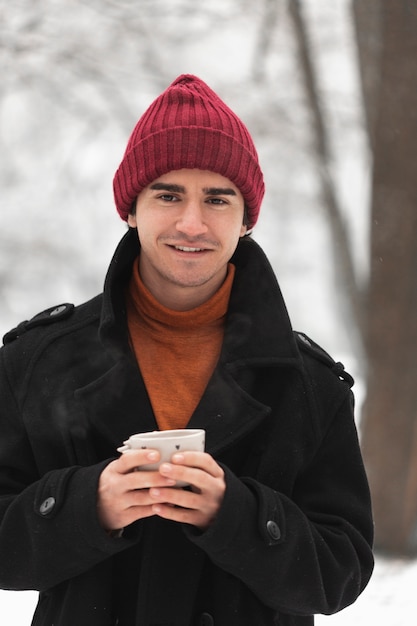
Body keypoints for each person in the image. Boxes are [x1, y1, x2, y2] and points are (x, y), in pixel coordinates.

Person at [0, 74, 373, 626]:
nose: (192, 223)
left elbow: (340, 572)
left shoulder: (309, 384)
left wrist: (237, 516)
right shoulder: (37, 362)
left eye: (217, 199)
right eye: (168, 194)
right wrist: (85, 506)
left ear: (246, 219)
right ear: (131, 208)